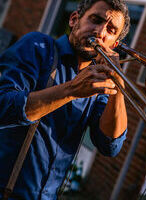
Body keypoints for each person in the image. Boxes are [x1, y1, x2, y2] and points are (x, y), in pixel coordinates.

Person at [0, 0, 130, 199]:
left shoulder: (99, 81)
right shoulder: (38, 46)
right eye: (95, 20)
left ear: (115, 44)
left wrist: (118, 86)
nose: (100, 32)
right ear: (74, 19)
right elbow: (3, 106)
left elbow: (109, 145)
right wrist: (71, 90)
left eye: (111, 30)